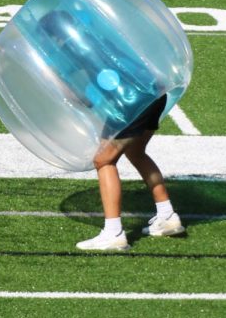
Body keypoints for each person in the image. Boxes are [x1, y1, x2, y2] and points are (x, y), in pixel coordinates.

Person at [75, 93, 185, 251]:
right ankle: (167, 215)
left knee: (104, 160)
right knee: (136, 151)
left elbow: (89, 91)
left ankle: (113, 233)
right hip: (156, 94)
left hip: (129, 101)